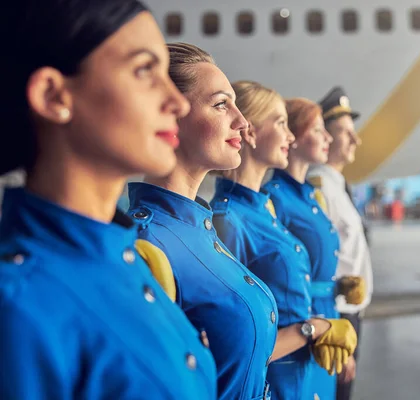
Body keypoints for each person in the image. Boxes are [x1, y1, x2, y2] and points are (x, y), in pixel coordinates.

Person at [0, 2, 217, 399]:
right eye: (143, 71)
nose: (178, 102)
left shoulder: (125, 260)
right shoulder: (18, 308)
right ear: (53, 95)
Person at [127, 42, 278, 399]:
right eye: (221, 104)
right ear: (170, 115)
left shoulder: (198, 226)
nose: (241, 122)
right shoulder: (146, 242)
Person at [210, 81, 358, 400]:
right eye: (281, 124)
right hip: (274, 382)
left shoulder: (262, 210)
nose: (289, 136)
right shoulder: (229, 220)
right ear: (249, 132)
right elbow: (236, 347)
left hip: (300, 373)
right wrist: (313, 329)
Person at [263, 98, 365, 400]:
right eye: (318, 129)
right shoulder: (275, 199)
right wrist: (320, 327)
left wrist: (337, 288)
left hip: (326, 322)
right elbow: (285, 278)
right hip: (303, 329)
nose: (328, 138)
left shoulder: (311, 197)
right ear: (293, 137)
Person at [307, 87, 374, 400]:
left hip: (350, 313)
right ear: (327, 138)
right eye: (346, 133)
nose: (355, 140)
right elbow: (317, 262)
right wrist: (334, 325)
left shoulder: (338, 185)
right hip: (337, 314)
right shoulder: (319, 186)